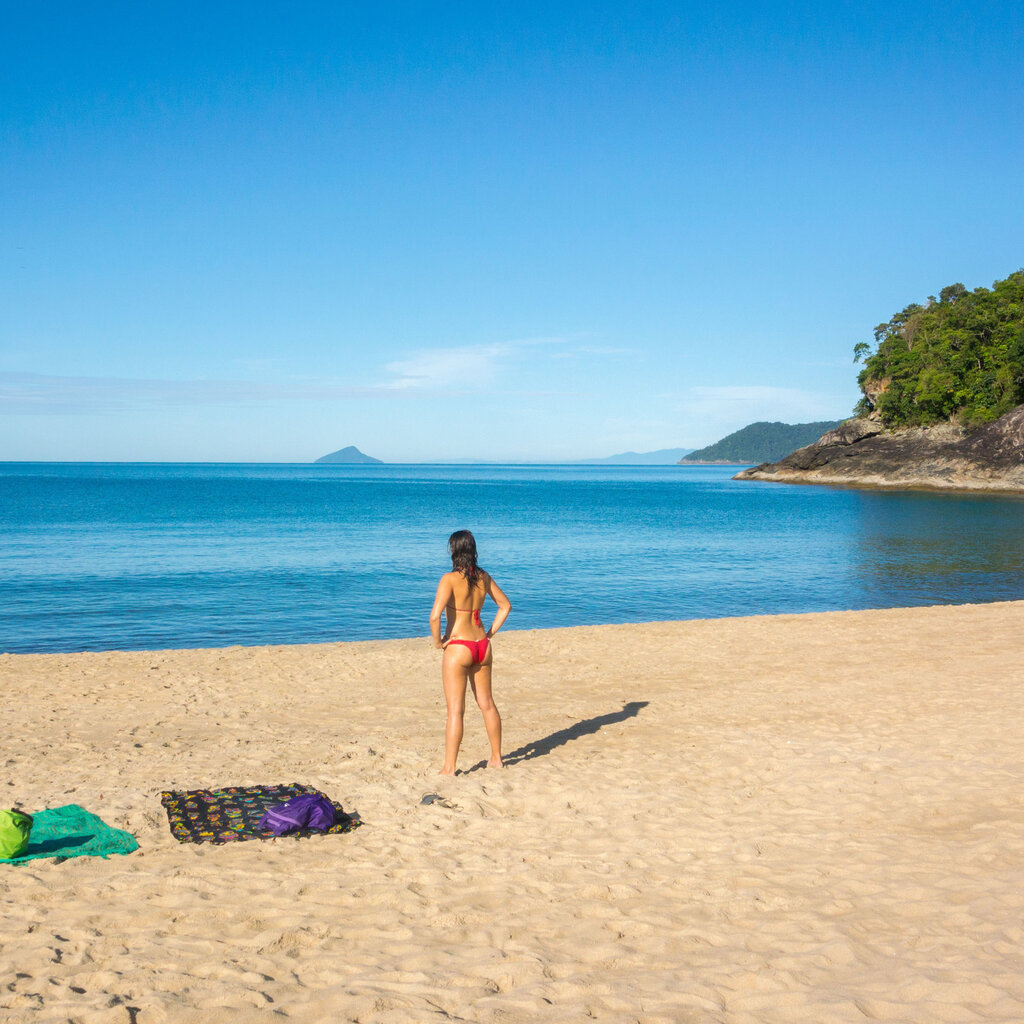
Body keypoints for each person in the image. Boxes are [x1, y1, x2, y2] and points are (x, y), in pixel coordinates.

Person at [429, 529, 512, 775]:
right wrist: (490, 634)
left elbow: (434, 617)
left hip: (459, 647)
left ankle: (450, 767)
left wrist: (438, 642)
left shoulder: (449, 579)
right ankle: (496, 758)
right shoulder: (483, 577)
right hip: (482, 646)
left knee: (456, 710)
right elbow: (505, 606)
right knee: (487, 704)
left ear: (454, 551)